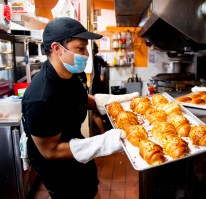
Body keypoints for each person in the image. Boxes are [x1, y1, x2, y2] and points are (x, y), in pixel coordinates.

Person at [21, 17, 138, 199]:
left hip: (77, 146)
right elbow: (51, 151)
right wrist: (103, 143)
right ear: (57, 49)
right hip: (57, 165)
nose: (87, 55)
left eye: (86, 48)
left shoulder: (74, 73)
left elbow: (81, 98)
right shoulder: (40, 98)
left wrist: (112, 103)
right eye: (80, 49)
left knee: (90, 188)